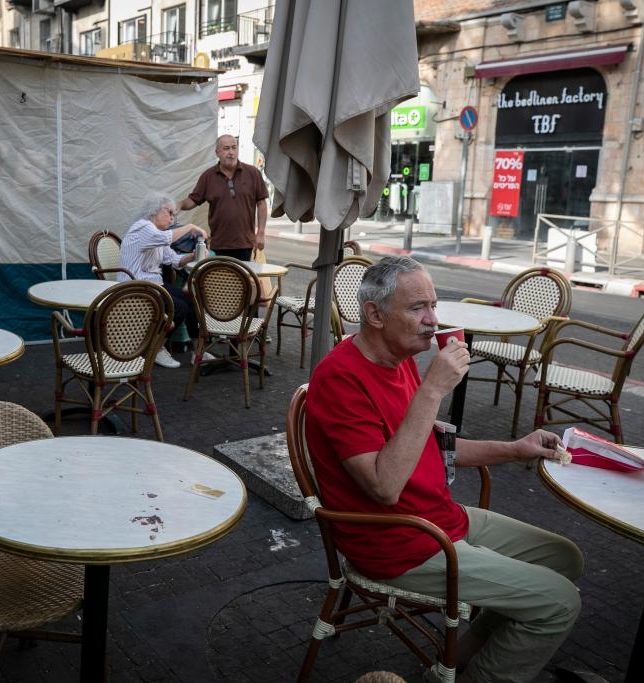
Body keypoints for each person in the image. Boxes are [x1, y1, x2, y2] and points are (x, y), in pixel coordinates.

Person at [305, 255, 583, 683]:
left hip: (440, 518)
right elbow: (384, 487)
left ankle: (461, 660)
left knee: (565, 558)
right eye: (418, 308)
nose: (433, 320)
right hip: (401, 543)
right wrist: (433, 389)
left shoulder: (399, 363)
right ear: (374, 314)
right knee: (560, 603)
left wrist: (515, 448)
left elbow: (433, 446)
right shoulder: (342, 378)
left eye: (433, 306)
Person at [118, 192, 213, 369]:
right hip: (136, 286)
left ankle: (198, 352)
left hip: (153, 285)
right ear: (155, 211)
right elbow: (164, 239)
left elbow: (175, 260)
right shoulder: (143, 227)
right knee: (178, 307)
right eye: (169, 213)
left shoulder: (156, 233)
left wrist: (193, 255)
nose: (171, 219)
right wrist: (191, 226)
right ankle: (156, 348)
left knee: (191, 298)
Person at [177, 134, 268, 261]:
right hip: (219, 244)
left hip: (245, 244)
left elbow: (262, 204)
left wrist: (261, 233)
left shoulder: (253, 173)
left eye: (234, 148)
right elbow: (193, 200)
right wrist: (179, 206)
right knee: (221, 280)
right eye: (226, 148)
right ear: (217, 152)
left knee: (243, 280)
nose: (231, 152)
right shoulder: (208, 176)